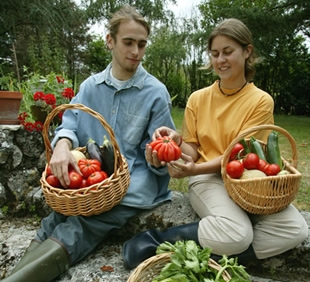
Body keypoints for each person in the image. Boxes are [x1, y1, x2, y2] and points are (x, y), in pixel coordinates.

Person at [3, 5, 176, 282]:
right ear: (110, 41)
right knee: (55, 218)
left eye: (142, 44)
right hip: (97, 177)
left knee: (83, 223)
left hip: (134, 180)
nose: (136, 51)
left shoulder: (155, 92)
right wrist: (61, 145)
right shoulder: (90, 87)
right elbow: (69, 124)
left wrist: (158, 155)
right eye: (128, 42)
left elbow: (160, 150)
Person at [123, 18, 309, 269]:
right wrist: (177, 144)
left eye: (228, 52)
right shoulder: (198, 99)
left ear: (247, 51)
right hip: (208, 180)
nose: (220, 60)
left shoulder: (260, 101)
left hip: (247, 180)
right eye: (215, 54)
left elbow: (240, 154)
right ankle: (153, 242)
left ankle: (208, 258)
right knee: (238, 233)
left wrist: (194, 167)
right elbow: (192, 148)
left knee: (294, 229)